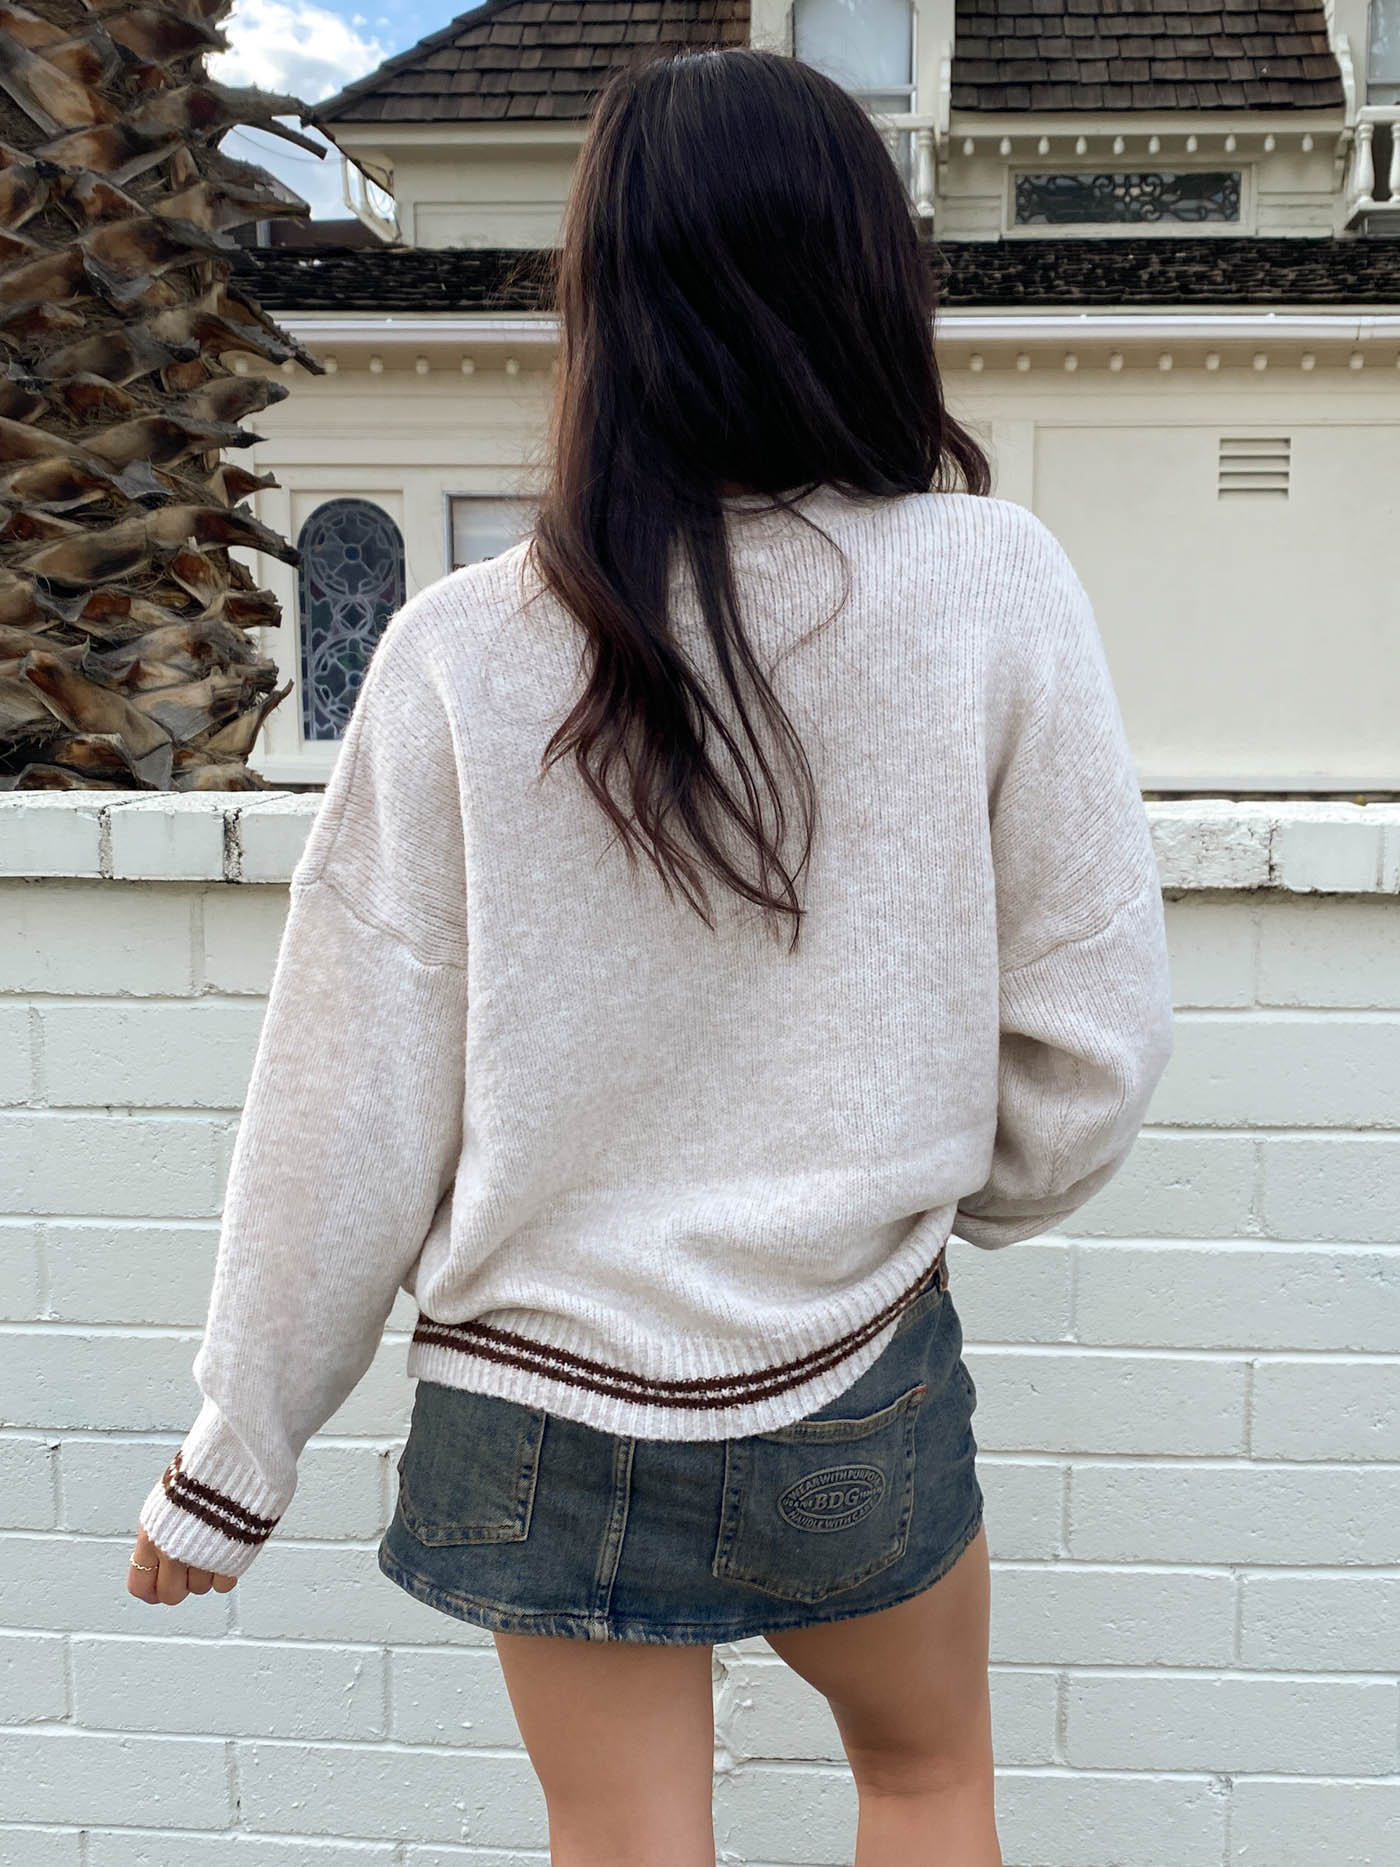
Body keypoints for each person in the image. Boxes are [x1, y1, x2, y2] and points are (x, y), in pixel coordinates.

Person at [127, 44, 1174, 1867]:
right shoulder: (991, 583)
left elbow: (349, 1086)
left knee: (621, 1849)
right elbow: (1092, 1046)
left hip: (538, 1400)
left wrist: (235, 1457)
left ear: (600, 300)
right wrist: (927, 1189)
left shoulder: (457, 650)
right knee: (926, 1790)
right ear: (871, 279)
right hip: (859, 1359)